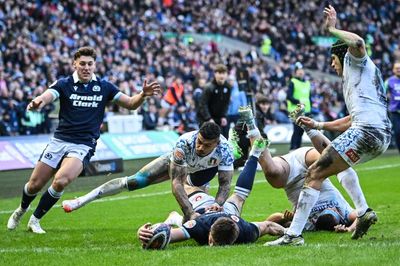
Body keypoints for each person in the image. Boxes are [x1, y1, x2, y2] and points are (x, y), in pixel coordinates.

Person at [265, 5, 392, 246]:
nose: (333, 66)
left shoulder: (356, 62)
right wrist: (320, 124)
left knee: (314, 173)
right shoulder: (362, 80)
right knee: (337, 164)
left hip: (366, 132)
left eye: (333, 60)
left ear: (341, 56)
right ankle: (363, 211)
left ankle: (293, 235)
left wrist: (332, 28)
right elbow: (352, 120)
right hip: (378, 135)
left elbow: (357, 42)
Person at [6, 46, 161, 234]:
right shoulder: (64, 84)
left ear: (95, 65)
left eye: (90, 64)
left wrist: (143, 95)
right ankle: (21, 210)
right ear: (74, 64)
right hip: (60, 140)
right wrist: (38, 101)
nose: (86, 67)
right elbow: (48, 95)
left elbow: (130, 103)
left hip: (84, 144)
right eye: (82, 64)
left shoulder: (105, 87)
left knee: (61, 181)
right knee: (34, 185)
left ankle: (35, 219)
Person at [62, 122, 234, 222]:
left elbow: (225, 184)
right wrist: (189, 212)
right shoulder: (184, 143)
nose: (200, 147)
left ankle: (175, 219)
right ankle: (82, 200)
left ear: (217, 143)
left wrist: (218, 203)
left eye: (207, 145)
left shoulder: (225, 150)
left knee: (202, 216)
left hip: (202, 173)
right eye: (200, 142)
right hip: (177, 167)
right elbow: (176, 184)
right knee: (134, 181)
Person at [137, 137, 285, 247]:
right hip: (209, 209)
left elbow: (268, 226)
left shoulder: (239, 229)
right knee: (187, 186)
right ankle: (249, 155)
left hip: (213, 210)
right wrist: (289, 232)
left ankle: (253, 154)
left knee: (238, 197)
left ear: (209, 238)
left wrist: (144, 233)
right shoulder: (246, 232)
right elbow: (268, 225)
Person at [197, 64, 232, 138]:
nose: (221, 76)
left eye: (223, 73)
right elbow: (203, 104)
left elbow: (226, 103)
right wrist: (208, 118)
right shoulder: (209, 87)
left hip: (219, 119)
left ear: (226, 74)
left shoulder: (228, 87)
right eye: (219, 73)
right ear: (215, 74)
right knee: (207, 140)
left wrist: (223, 116)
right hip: (206, 119)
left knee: (221, 140)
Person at [287, 61, 312, 150]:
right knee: (297, 131)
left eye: (302, 70)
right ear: (296, 72)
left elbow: (309, 98)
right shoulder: (293, 82)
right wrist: (298, 101)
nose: (300, 72)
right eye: (298, 70)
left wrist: (310, 110)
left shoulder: (307, 83)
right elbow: (289, 97)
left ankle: (297, 149)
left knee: (301, 132)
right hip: (296, 111)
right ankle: (293, 149)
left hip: (306, 111)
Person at [385, 62, 400, 153]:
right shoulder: (389, 81)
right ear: (393, 70)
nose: (398, 70)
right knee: (398, 133)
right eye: (397, 68)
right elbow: (381, 92)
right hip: (395, 112)